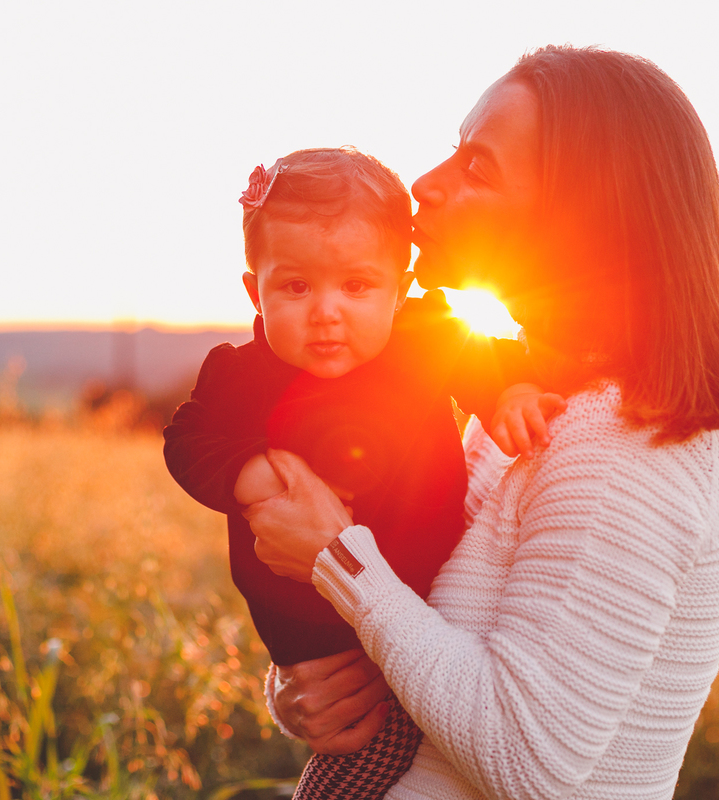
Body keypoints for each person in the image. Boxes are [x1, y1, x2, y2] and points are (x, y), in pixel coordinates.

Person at [242, 47, 719, 799]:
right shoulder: (528, 406)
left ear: (587, 216)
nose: (425, 186)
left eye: (478, 169)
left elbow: (529, 763)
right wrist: (304, 687)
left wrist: (333, 556)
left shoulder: (630, 447)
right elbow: (423, 643)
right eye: (455, 152)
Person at [162, 147, 564, 799]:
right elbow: (187, 438)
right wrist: (246, 472)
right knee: (350, 751)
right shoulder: (239, 374)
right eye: (296, 286)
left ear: (400, 288)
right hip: (310, 634)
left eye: (356, 286)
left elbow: (489, 356)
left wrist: (511, 394)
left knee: (388, 760)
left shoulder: (423, 340)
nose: (327, 312)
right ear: (253, 290)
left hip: (421, 610)